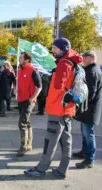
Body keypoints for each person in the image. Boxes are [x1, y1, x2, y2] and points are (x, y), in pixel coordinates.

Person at [25, 38, 83, 178]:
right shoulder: (71, 62)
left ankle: (41, 169)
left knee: (50, 140)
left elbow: (58, 86)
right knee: (66, 140)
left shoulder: (64, 63)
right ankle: (62, 169)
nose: (53, 50)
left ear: (63, 49)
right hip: (67, 108)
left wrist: (53, 75)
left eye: (55, 48)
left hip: (57, 108)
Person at [73, 51, 102, 168]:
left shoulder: (92, 71)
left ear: (91, 58)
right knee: (85, 132)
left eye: (85, 57)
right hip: (88, 108)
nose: (83, 59)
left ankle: (89, 159)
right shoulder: (91, 70)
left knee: (88, 133)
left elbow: (90, 92)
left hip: (90, 108)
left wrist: (78, 101)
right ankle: (84, 152)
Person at [16, 52, 42, 157]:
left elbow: (39, 86)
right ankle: (29, 145)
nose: (19, 59)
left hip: (28, 100)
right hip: (21, 99)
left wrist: (32, 98)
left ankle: (23, 147)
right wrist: (16, 90)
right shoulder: (19, 70)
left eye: (21, 58)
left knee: (22, 123)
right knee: (27, 122)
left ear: (27, 60)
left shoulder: (32, 70)